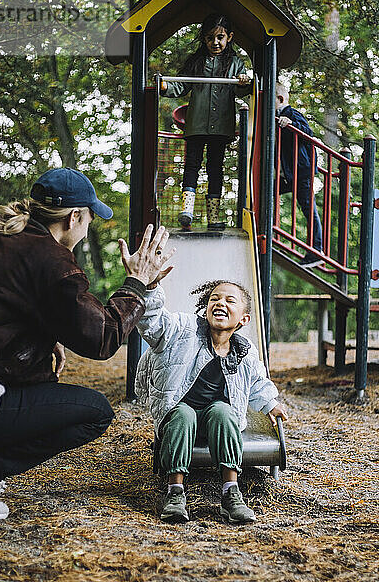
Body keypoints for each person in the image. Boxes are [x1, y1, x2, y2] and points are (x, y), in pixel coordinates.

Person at [0, 167, 174, 522]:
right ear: (74, 218)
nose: (88, 229)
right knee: (95, 412)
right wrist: (137, 283)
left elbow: (0, 302)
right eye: (89, 219)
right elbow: (102, 339)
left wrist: (43, 335)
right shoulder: (52, 262)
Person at [135, 279, 288, 524]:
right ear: (206, 309)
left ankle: (231, 493)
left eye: (230, 300)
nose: (220, 303)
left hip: (214, 423)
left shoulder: (244, 350)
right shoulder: (183, 329)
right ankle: (175, 493)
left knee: (224, 411)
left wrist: (271, 403)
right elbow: (153, 324)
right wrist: (151, 286)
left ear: (243, 319)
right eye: (214, 298)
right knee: (183, 413)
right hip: (180, 416)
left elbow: (257, 382)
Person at [160, 13, 252, 231]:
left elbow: (244, 89)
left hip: (221, 126)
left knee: (215, 169)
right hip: (197, 124)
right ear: (204, 39)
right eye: (210, 38)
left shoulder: (235, 63)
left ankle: (213, 217)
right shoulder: (196, 62)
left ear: (229, 37)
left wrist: (244, 81)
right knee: (192, 164)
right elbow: (181, 86)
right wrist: (165, 87)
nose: (215, 43)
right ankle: (187, 211)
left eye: (220, 37)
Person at [275, 83, 324, 268]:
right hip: (288, 174)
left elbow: (308, 133)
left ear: (280, 100)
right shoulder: (276, 117)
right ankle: (267, 228)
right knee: (267, 190)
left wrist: (292, 124)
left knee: (308, 207)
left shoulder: (291, 113)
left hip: (301, 171)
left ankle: (316, 250)